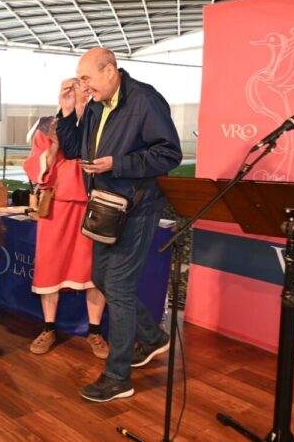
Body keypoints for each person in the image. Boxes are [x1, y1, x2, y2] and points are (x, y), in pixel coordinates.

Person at [56, 48, 182, 403]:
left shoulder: (144, 100)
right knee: (101, 278)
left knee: (119, 287)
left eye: (87, 79)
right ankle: (153, 338)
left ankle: (118, 376)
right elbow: (72, 151)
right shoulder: (96, 104)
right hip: (105, 208)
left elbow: (170, 154)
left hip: (138, 208)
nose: (84, 86)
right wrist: (67, 113)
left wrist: (118, 163)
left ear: (110, 71)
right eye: (80, 80)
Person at [23, 79, 108, 359]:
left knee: (94, 271)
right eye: (73, 89)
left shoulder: (102, 120)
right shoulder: (50, 124)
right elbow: (36, 167)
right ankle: (49, 327)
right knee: (50, 267)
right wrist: (54, 145)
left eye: (86, 88)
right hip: (57, 206)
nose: (80, 93)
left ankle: (95, 332)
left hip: (92, 205)